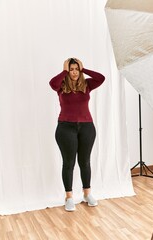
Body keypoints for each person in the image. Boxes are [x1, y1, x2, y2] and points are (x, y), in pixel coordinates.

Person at [49, 58, 105, 211]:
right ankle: (69, 197)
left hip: (87, 127)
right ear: (67, 70)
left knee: (85, 162)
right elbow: (52, 83)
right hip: (66, 128)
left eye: (76, 69)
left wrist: (84, 69)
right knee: (69, 163)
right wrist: (64, 71)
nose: (74, 72)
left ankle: (87, 194)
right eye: (71, 69)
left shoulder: (86, 85)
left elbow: (101, 78)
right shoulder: (61, 86)